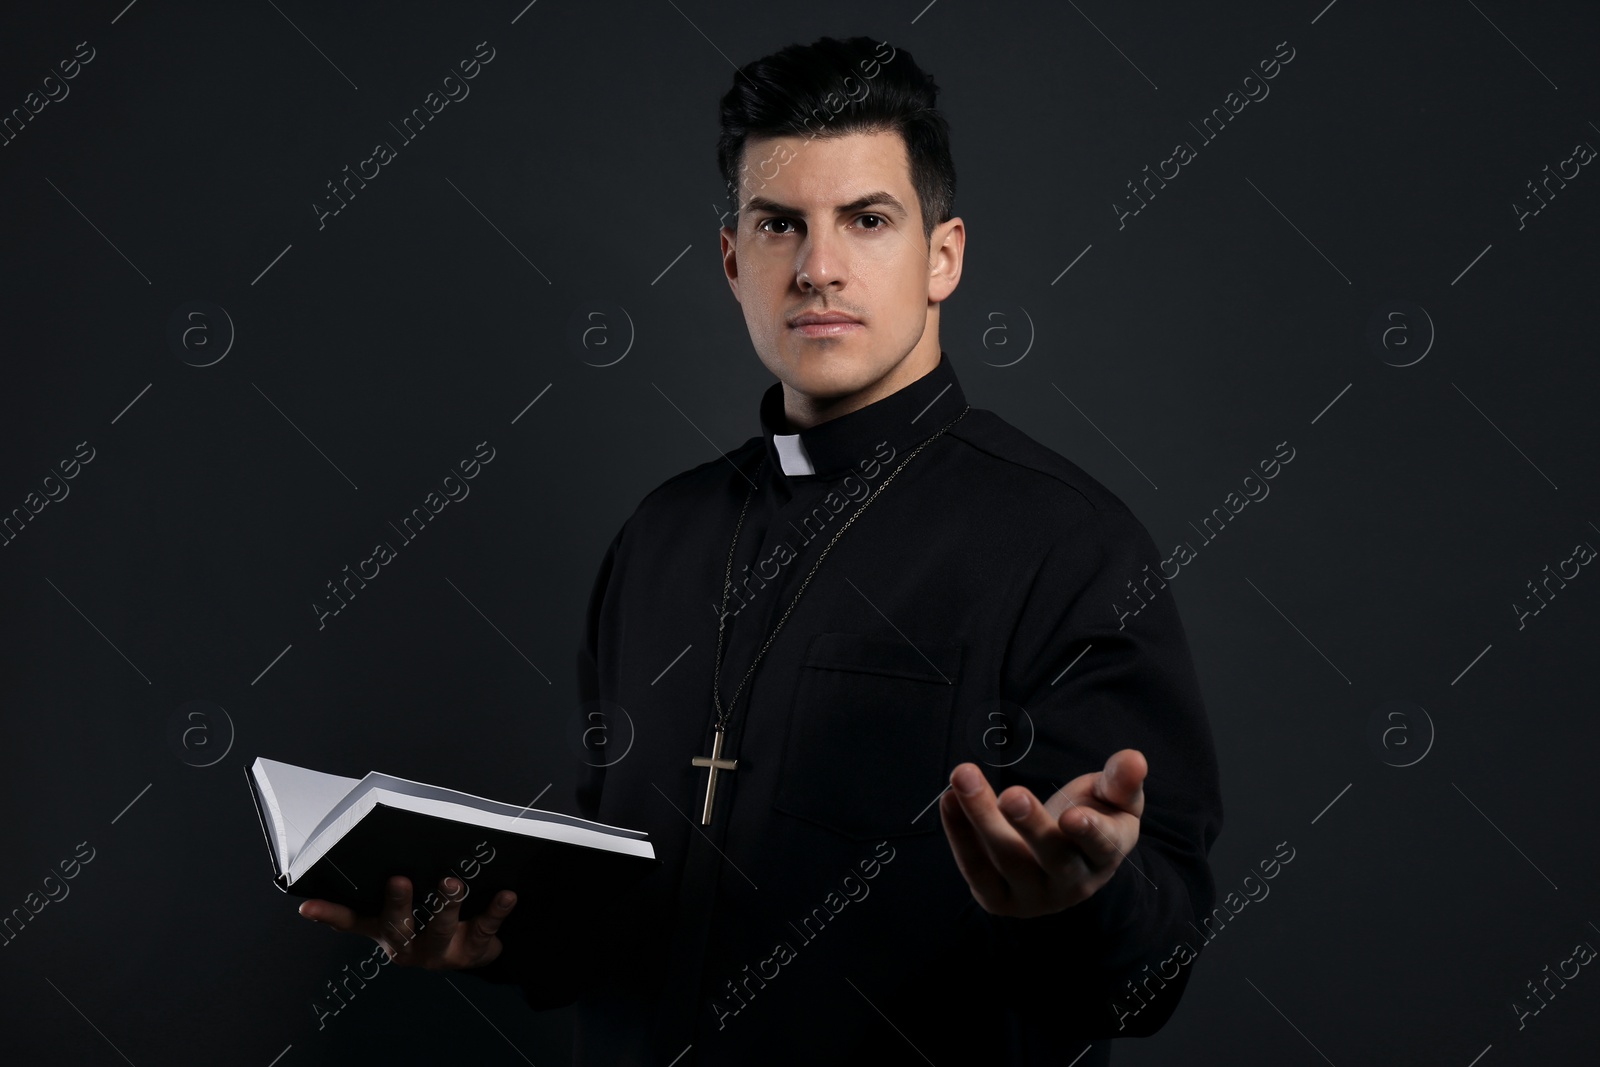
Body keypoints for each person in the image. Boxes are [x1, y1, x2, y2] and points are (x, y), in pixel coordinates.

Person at [297, 34, 1223, 1066]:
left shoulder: (1067, 543)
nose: (817, 266)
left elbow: (1153, 969)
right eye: (780, 224)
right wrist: (488, 935)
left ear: (943, 256)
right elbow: (624, 916)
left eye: (867, 220)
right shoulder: (660, 535)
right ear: (735, 261)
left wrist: (1085, 900)